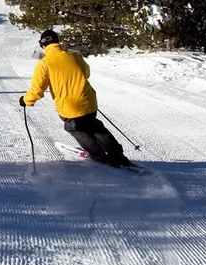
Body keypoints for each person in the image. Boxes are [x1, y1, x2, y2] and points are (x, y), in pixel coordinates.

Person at [19, 29, 133, 168]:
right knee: (94, 126)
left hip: (70, 107)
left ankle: (98, 155)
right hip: (88, 101)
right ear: (57, 41)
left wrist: (26, 100)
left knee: (76, 129)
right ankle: (117, 155)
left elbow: (37, 90)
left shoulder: (45, 64)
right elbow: (86, 73)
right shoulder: (74, 56)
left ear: (42, 45)